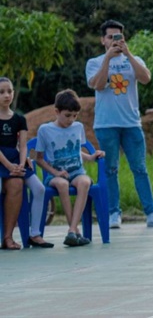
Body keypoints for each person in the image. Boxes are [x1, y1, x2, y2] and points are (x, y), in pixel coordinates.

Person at [86, 20, 153, 228]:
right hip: (106, 124)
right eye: (110, 37)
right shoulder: (94, 62)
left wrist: (128, 54)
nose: (114, 41)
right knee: (110, 169)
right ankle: (113, 213)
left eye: (119, 37)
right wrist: (108, 58)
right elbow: (97, 85)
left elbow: (146, 78)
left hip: (132, 123)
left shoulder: (134, 59)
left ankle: (151, 213)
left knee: (140, 169)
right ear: (102, 40)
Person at [33, 90, 105, 247]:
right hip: (55, 175)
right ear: (57, 111)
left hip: (77, 172)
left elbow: (76, 151)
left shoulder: (78, 127)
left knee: (85, 182)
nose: (71, 120)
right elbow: (39, 159)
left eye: (75, 115)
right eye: (67, 115)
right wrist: (56, 173)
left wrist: (91, 157)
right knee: (62, 184)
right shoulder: (45, 130)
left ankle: (72, 230)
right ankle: (76, 231)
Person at [1, 77, 52, 249]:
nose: (6, 95)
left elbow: (23, 145)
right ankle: (5, 237)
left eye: (9, 91)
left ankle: (35, 234)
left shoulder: (19, 119)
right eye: (1, 92)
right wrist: (9, 166)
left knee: (39, 189)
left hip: (16, 160)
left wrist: (22, 164)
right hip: (3, 161)